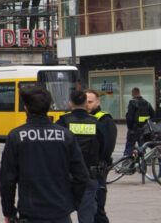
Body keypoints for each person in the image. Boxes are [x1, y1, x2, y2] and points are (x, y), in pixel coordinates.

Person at [0, 86, 89, 223]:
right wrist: (72, 203)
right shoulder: (66, 135)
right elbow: (81, 176)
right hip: (60, 212)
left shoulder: (16, 136)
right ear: (49, 107)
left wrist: (9, 212)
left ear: (26, 109)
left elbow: (7, 179)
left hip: (30, 212)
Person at [56, 90, 106, 223]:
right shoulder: (97, 124)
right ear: (86, 104)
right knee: (87, 215)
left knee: (61, 213)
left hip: (65, 175)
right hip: (89, 174)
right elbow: (104, 150)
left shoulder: (62, 123)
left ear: (70, 103)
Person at [85, 89, 117, 223]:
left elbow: (108, 146)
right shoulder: (82, 119)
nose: (87, 104)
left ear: (97, 102)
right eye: (84, 102)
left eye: (90, 102)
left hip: (98, 169)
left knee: (98, 209)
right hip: (84, 170)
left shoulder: (105, 119)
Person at [124, 87, 155, 155]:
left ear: (132, 94)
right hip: (144, 129)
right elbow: (153, 115)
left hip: (134, 129)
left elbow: (129, 117)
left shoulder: (132, 102)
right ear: (139, 93)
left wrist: (130, 128)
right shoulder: (147, 103)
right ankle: (142, 163)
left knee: (129, 146)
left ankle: (127, 163)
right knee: (142, 148)